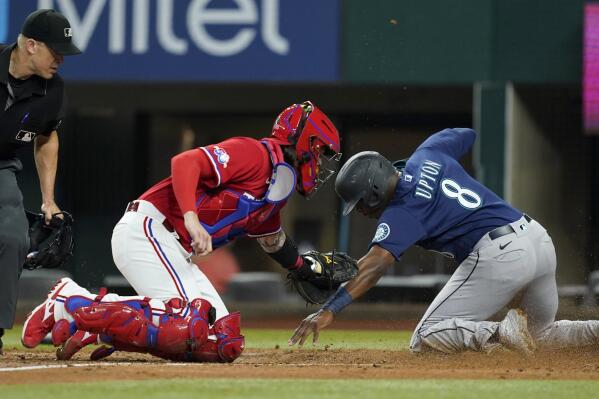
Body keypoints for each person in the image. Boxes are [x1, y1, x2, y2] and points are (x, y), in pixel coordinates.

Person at [289, 127, 599, 354]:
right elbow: (467, 134)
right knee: (540, 334)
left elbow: (374, 267)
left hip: (501, 253)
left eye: (361, 204)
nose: (363, 212)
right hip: (537, 239)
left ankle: (499, 332)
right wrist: (428, 170)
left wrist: (329, 309)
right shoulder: (429, 153)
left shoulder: (402, 212)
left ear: (374, 192)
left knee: (424, 338)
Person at [111, 101, 341, 320]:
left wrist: (302, 268)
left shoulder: (276, 192)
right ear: (306, 144)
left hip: (174, 249)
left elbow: (273, 240)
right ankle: (85, 308)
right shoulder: (254, 152)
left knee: (222, 337)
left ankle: (101, 322)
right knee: (190, 321)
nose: (320, 163)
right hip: (149, 229)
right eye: (320, 152)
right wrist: (191, 219)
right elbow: (185, 162)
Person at [0, 9, 81, 354]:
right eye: (56, 50)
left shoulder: (53, 90)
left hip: (1, 165)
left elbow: (46, 138)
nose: (61, 59)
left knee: (14, 238)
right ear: (31, 45)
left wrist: (48, 198)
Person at [21, 277, 244, 362]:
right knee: (185, 330)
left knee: (221, 347)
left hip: (175, 245)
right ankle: (72, 301)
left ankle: (97, 329)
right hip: (147, 228)